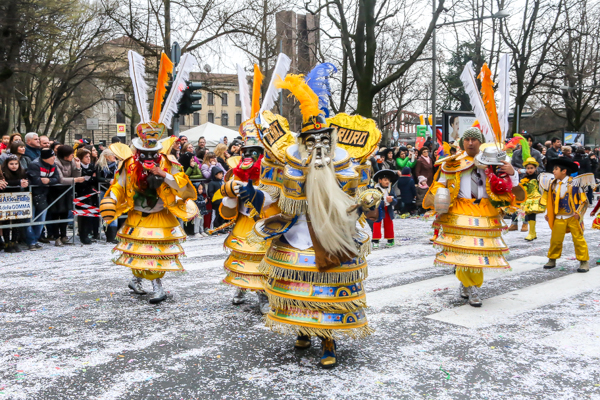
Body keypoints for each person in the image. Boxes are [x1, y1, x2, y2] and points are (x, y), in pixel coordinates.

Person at [253, 73, 378, 369]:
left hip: (335, 230)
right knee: (295, 282)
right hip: (299, 230)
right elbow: (283, 199)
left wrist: (367, 200)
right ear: (303, 141)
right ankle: (303, 329)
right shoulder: (293, 161)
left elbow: (357, 193)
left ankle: (328, 339)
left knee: (329, 289)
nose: (318, 145)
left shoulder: (345, 160)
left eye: (323, 139)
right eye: (312, 140)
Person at [99, 49, 198, 304]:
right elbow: (118, 186)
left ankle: (156, 285)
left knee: (155, 254)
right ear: (137, 149)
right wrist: (109, 203)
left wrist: (163, 174)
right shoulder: (130, 163)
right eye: (143, 152)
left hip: (161, 215)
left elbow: (183, 187)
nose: (147, 156)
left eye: (151, 152)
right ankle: (141, 281)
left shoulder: (169, 162)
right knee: (141, 252)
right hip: (138, 215)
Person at [424, 127, 519, 307]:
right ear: (462, 142)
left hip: (485, 209)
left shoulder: (493, 158)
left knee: (477, 251)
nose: (470, 142)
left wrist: (512, 171)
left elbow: (510, 184)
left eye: (474, 139)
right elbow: (441, 184)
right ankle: (469, 284)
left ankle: (472, 286)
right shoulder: (453, 162)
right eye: (467, 139)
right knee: (461, 251)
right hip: (459, 209)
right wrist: (439, 199)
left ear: (480, 141)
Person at [542, 158, 590, 272]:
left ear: (564, 171)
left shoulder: (575, 183)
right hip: (559, 217)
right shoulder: (552, 184)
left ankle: (584, 261)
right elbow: (550, 200)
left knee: (578, 240)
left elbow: (584, 201)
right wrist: (548, 213)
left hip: (572, 216)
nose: (553, 171)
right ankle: (552, 259)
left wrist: (579, 213)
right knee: (555, 240)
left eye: (556, 169)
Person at [26, 148, 60, 250]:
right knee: (29, 219)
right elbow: (35, 180)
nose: (54, 158)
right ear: (46, 157)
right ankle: (31, 241)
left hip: (44, 194)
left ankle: (35, 240)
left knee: (41, 219)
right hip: (32, 194)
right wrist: (43, 181)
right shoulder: (34, 164)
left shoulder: (53, 165)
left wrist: (48, 180)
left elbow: (57, 178)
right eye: (52, 156)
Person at [53, 145, 84, 245]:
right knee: (56, 213)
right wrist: (75, 180)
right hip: (57, 191)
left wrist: (78, 167)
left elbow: (76, 175)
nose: (72, 156)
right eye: (71, 154)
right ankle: (56, 236)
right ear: (65, 155)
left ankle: (64, 234)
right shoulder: (56, 162)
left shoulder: (71, 161)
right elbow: (60, 179)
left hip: (68, 190)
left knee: (65, 213)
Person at [1, 155, 28, 252]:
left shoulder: (22, 172)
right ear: (7, 164)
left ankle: (14, 241)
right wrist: (18, 182)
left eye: (16, 164)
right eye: (11, 164)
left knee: (17, 221)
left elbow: (26, 179)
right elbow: (6, 182)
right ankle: (7, 242)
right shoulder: (4, 173)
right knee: (6, 221)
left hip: (18, 199)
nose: (14, 166)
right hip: (6, 199)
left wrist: (25, 182)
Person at [74, 148, 98, 244]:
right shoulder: (79, 166)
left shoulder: (92, 166)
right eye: (86, 157)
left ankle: (90, 232)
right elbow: (80, 180)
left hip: (91, 192)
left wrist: (90, 178)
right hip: (81, 193)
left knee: (91, 213)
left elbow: (94, 179)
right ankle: (83, 234)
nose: (88, 158)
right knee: (83, 214)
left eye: (89, 156)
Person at [520, 157, 545, 241]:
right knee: (529, 214)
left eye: (531, 168)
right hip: (528, 198)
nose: (530, 170)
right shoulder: (524, 178)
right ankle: (532, 232)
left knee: (532, 214)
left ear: (535, 168)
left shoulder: (538, 177)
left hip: (535, 197)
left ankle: (532, 232)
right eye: (528, 168)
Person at [371, 169, 398, 248]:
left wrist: (392, 200)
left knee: (389, 224)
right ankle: (375, 240)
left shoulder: (390, 189)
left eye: (388, 180)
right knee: (376, 224)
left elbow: (396, 200)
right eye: (385, 180)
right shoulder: (375, 189)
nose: (387, 182)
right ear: (380, 181)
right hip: (378, 209)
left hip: (388, 208)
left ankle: (390, 239)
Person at [97, 148, 119, 243]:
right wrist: (107, 180)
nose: (114, 157)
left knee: (115, 212)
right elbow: (98, 178)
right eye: (112, 155)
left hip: (114, 191)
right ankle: (108, 235)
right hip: (104, 191)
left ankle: (114, 236)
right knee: (106, 213)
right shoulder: (100, 165)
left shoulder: (117, 165)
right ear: (106, 156)